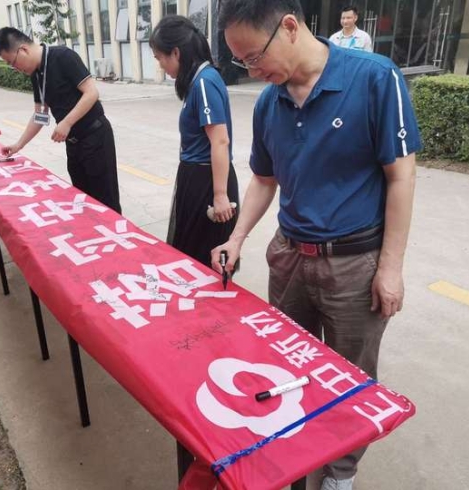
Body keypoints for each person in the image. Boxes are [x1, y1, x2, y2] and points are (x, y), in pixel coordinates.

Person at [214, 1, 420, 489]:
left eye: (254, 57)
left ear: (289, 27)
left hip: (354, 265)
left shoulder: (374, 79)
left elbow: (401, 176)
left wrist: (390, 267)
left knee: (350, 377)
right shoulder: (269, 103)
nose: (252, 71)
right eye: (241, 62)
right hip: (290, 258)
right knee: (285, 368)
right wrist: (236, 237)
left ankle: (340, 473)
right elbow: (264, 179)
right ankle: (297, 453)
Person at [0, 28, 121, 214]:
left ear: (23, 50)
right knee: (83, 201)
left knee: (106, 202)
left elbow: (91, 93)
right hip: (73, 144)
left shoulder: (63, 57)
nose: (16, 68)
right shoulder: (36, 74)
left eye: (12, 62)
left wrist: (67, 122)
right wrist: (18, 145)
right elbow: (40, 115)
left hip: (95, 138)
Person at [149, 15, 239, 268]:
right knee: (192, 255)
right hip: (196, 177)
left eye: (159, 58)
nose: (160, 65)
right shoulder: (198, 81)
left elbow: (220, 141)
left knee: (205, 258)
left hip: (206, 181)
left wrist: (220, 195)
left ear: (176, 53)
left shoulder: (204, 83)